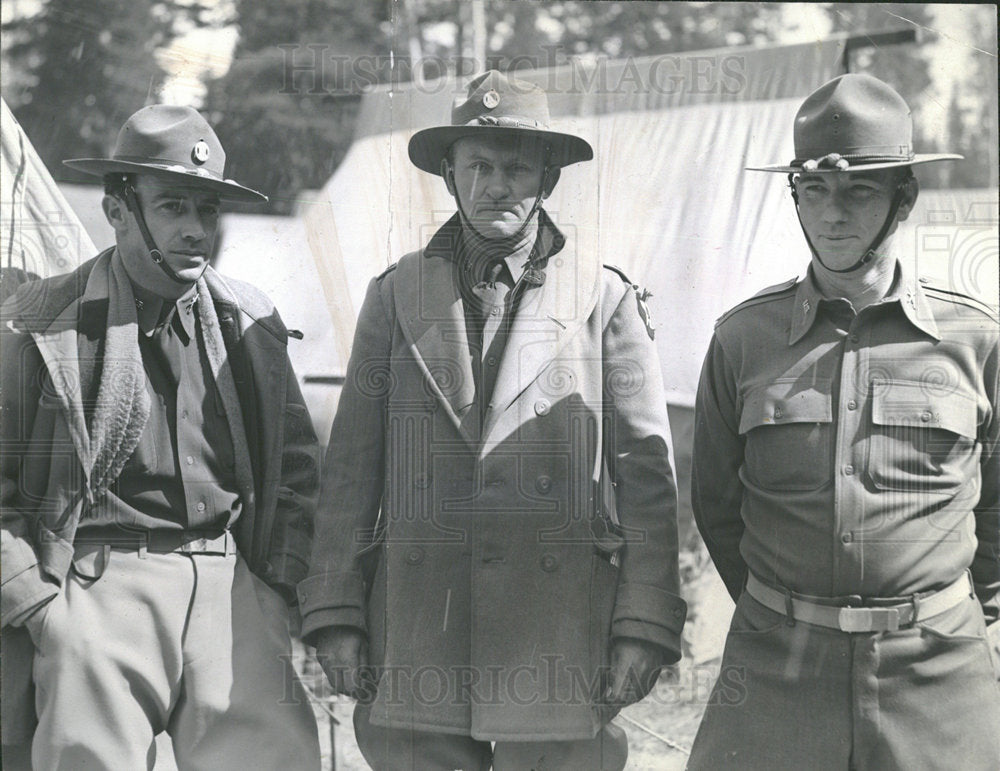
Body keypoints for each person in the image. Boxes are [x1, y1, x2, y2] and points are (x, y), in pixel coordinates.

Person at [298, 70, 687, 770]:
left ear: (547, 179)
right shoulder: (395, 295)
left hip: (559, 636)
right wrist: (336, 612)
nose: (495, 185)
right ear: (450, 174)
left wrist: (644, 624)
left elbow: (648, 482)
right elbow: (351, 470)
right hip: (419, 631)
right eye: (477, 166)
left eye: (515, 167)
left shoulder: (603, 298)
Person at [689, 73, 1000, 769]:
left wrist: (956, 615)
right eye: (814, 191)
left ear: (904, 199)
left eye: (859, 190)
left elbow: (998, 512)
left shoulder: (975, 339)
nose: (833, 214)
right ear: (795, 197)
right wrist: (788, 608)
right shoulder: (743, 340)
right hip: (778, 671)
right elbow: (716, 504)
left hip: (938, 675)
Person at [0, 105, 322, 770]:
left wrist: (275, 589)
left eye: (208, 210)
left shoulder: (250, 322)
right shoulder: (40, 324)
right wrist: (38, 606)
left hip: (231, 586)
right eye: (174, 206)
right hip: (95, 583)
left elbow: (297, 475)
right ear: (119, 210)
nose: (196, 230)